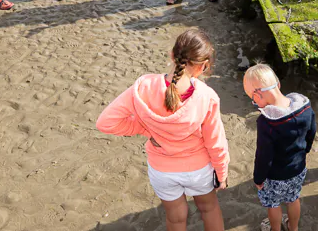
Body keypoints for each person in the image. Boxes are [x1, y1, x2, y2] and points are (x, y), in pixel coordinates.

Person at [96, 29, 229, 231]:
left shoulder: (143, 87)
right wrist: (222, 172)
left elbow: (106, 122)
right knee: (209, 209)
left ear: (172, 55)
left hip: (162, 171)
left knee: (175, 218)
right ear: (203, 66)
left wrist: (146, 129)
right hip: (198, 169)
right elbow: (215, 142)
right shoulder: (206, 96)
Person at [244, 64, 316, 231]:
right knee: (293, 199)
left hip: (275, 176)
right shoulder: (304, 107)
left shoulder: (267, 122)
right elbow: (311, 131)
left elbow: (264, 155)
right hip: (298, 169)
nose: (255, 103)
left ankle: (275, 229)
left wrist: (258, 178)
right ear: (278, 84)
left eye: (253, 100)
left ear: (258, 94)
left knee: (274, 204)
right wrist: (305, 150)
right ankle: (294, 227)